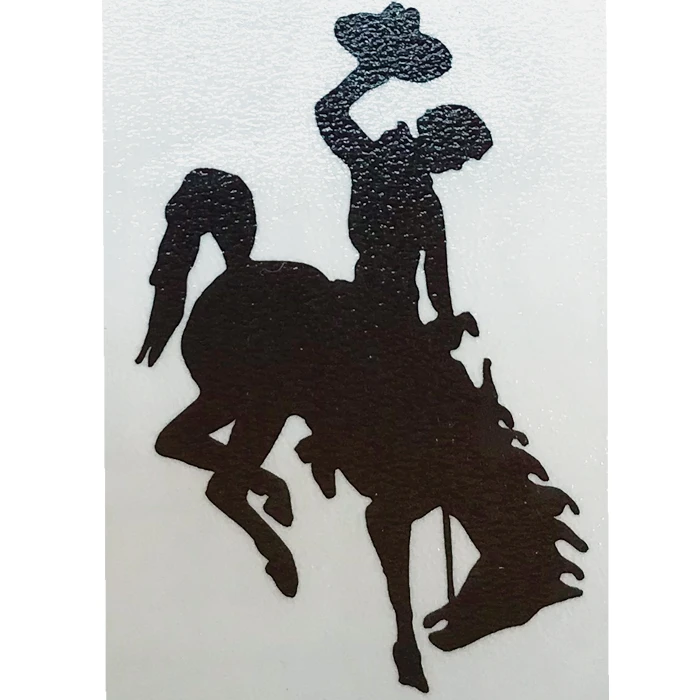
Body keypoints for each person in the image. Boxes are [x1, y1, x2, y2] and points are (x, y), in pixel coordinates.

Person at [315, 63, 491, 347]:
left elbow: (329, 112)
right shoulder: (409, 187)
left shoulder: (373, 160)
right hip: (390, 312)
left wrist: (369, 71)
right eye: (461, 155)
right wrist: (447, 317)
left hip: (381, 302)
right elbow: (435, 270)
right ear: (444, 143)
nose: (458, 166)